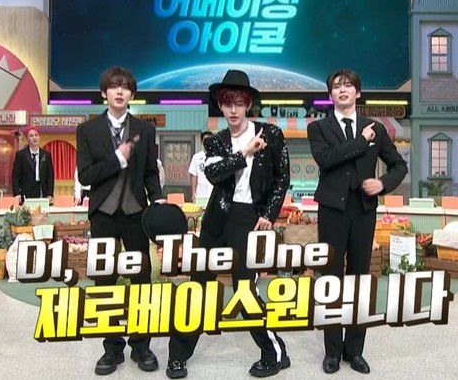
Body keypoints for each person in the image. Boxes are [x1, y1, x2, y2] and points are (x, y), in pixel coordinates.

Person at [167, 70, 291, 379]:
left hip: (250, 219)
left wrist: (269, 214)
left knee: (244, 288)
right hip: (216, 219)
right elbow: (213, 174)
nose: (233, 110)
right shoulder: (216, 141)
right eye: (227, 103)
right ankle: (178, 355)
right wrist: (245, 152)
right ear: (220, 106)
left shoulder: (271, 134)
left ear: (248, 104)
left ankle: (273, 353)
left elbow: (282, 178)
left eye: (239, 103)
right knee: (198, 285)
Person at [307, 69, 407, 375]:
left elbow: (399, 165)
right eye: (336, 87)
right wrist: (362, 141)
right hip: (332, 210)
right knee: (330, 279)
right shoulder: (318, 128)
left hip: (363, 210)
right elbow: (327, 160)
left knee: (360, 279)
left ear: (358, 93)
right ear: (330, 95)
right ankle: (332, 352)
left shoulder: (376, 128)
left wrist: (383, 183)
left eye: (348, 86)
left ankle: (355, 350)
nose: (342, 90)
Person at [76, 66, 164, 375]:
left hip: (135, 213)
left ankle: (141, 345)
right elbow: (86, 176)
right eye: (114, 86)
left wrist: (158, 198)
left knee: (141, 279)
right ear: (104, 92)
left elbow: (150, 173)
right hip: (103, 214)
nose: (119, 91)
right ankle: (111, 348)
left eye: (125, 87)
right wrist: (117, 159)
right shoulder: (87, 130)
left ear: (131, 94)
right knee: (104, 280)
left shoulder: (145, 129)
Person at [12, 126, 54, 203]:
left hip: (42, 190)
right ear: (27, 138)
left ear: (39, 137)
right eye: (31, 136)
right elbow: (15, 176)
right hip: (26, 191)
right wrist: (17, 193)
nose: (34, 138)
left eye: (36, 135)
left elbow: (50, 176)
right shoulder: (21, 155)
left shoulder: (46, 154)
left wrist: (50, 193)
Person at [188, 131, 214, 202]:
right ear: (202, 142)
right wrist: (193, 193)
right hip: (201, 194)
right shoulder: (196, 157)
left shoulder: (218, 156)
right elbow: (194, 176)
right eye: (205, 140)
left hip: (214, 194)